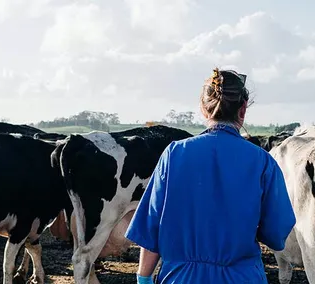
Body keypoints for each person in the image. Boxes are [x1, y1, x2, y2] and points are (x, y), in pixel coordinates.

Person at [125, 68, 297, 284]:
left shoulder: (174, 154)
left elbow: (151, 229)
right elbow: (276, 233)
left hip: (180, 278)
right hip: (241, 277)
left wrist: (143, 278)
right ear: (243, 109)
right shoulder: (262, 162)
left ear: (203, 109)